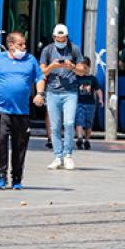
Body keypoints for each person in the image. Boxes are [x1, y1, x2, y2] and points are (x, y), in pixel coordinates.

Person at [0, 32, 45, 190]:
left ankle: (17, 178)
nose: (24, 47)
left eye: (24, 44)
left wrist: (39, 94)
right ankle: (1, 176)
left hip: (22, 112)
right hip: (2, 111)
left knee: (20, 146)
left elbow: (40, 78)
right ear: (10, 45)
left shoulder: (30, 60)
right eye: (21, 44)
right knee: (1, 144)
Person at [40, 24, 82, 171]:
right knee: (55, 126)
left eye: (63, 38)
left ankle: (68, 155)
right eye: (58, 38)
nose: (61, 40)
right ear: (54, 37)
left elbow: (83, 71)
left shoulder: (74, 49)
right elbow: (42, 73)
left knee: (69, 123)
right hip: (52, 92)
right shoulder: (47, 50)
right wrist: (52, 66)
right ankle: (58, 156)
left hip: (70, 92)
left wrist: (73, 67)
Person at [74, 57, 103, 150]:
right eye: (81, 68)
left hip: (90, 104)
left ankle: (87, 140)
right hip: (78, 103)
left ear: (89, 67)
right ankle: (79, 138)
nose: (83, 70)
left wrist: (100, 99)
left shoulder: (92, 79)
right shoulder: (76, 78)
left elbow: (98, 90)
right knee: (79, 120)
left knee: (89, 123)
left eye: (85, 68)